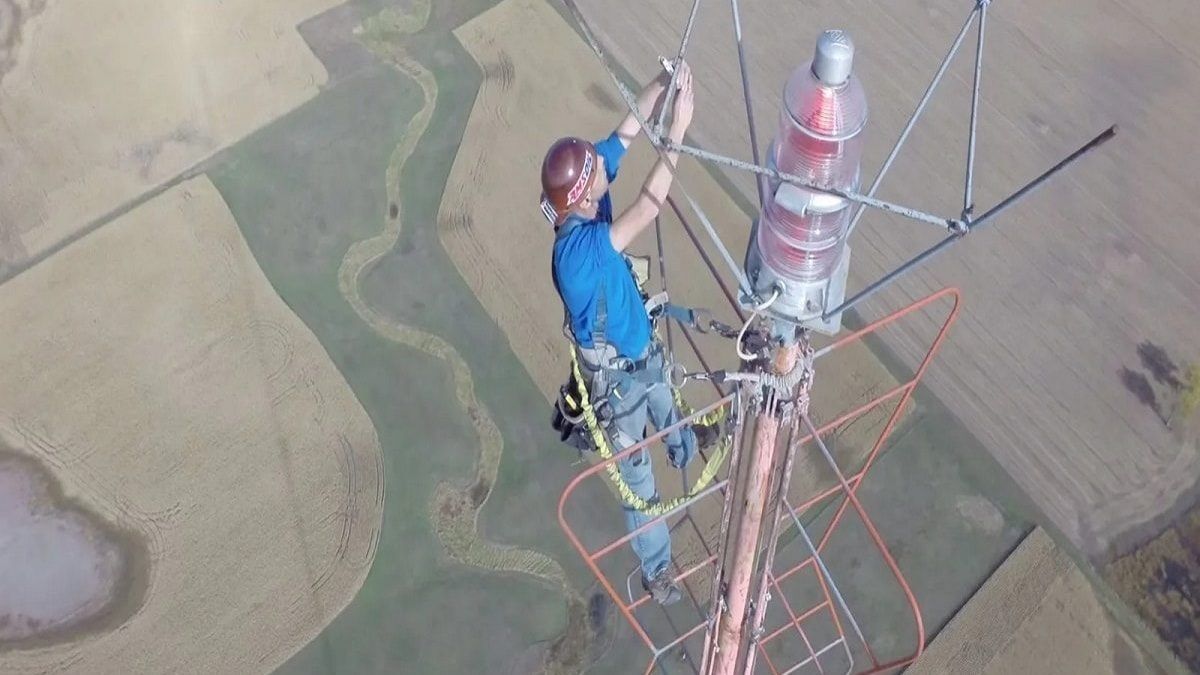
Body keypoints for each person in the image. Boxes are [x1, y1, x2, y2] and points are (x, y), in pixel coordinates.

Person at [541, 61, 705, 605]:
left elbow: (625, 131)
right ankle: (658, 568)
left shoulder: (584, 202)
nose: (606, 162)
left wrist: (663, 81)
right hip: (616, 389)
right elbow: (648, 208)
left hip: (640, 358)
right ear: (586, 196)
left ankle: (687, 444)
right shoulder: (578, 257)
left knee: (669, 408)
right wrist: (679, 131)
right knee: (640, 489)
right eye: (598, 169)